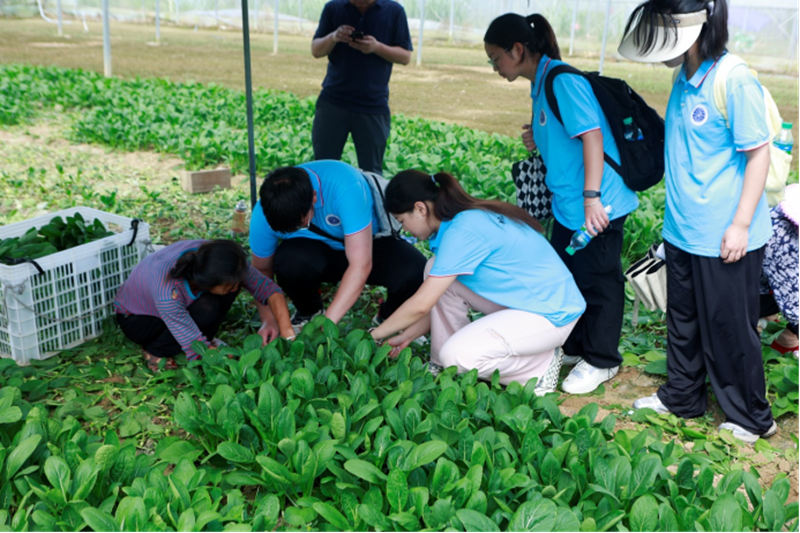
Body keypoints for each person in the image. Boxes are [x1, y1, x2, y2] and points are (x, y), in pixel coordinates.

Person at [620, 0, 778, 443]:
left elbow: (758, 153)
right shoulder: (682, 76)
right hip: (683, 230)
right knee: (682, 319)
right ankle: (682, 396)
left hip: (727, 233)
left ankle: (751, 417)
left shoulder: (734, 78)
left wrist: (741, 224)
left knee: (729, 326)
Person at [483, 14, 639, 395]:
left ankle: (603, 359)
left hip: (597, 205)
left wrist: (592, 199)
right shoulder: (541, 83)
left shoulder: (563, 81)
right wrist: (538, 136)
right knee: (572, 270)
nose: (494, 67)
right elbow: (567, 133)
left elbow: (592, 139)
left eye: (495, 58)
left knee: (601, 277)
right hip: (569, 205)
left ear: (517, 50)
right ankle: (577, 345)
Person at [369, 170, 586, 394]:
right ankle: (441, 362)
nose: (404, 229)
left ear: (420, 208)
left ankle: (538, 367)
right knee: (434, 268)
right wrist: (406, 335)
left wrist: (374, 335)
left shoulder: (462, 230)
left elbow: (422, 304)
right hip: (527, 302)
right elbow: (434, 301)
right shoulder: (463, 218)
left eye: (401, 221)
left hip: (551, 315)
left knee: (456, 356)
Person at [250, 160, 427, 333]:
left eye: (301, 223)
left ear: (313, 197)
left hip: (367, 245)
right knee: (290, 262)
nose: (297, 229)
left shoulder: (344, 185)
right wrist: (269, 320)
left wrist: (327, 324)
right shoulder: (265, 213)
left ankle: (389, 317)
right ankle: (309, 311)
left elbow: (360, 264)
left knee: (414, 270)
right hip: (316, 252)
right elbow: (261, 271)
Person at [115, 240, 294, 371]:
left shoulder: (216, 258)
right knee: (206, 308)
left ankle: (206, 336)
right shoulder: (168, 293)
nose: (235, 289)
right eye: (228, 286)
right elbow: (196, 348)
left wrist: (287, 335)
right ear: (206, 283)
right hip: (137, 319)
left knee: (223, 294)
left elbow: (269, 289)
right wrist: (248, 361)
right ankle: (156, 351)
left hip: (168, 307)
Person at [311, 0, 413, 174]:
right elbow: (316, 50)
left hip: (373, 105)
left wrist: (376, 47)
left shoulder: (394, 10)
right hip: (333, 102)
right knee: (323, 167)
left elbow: (405, 56)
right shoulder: (333, 8)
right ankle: (324, 201)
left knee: (372, 172)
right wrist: (334, 37)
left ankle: (370, 201)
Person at [760, 183, 799, 358]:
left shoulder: (786, 215)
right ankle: (786, 340)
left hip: (766, 280)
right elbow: (794, 303)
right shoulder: (783, 241)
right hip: (741, 294)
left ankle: (768, 321)